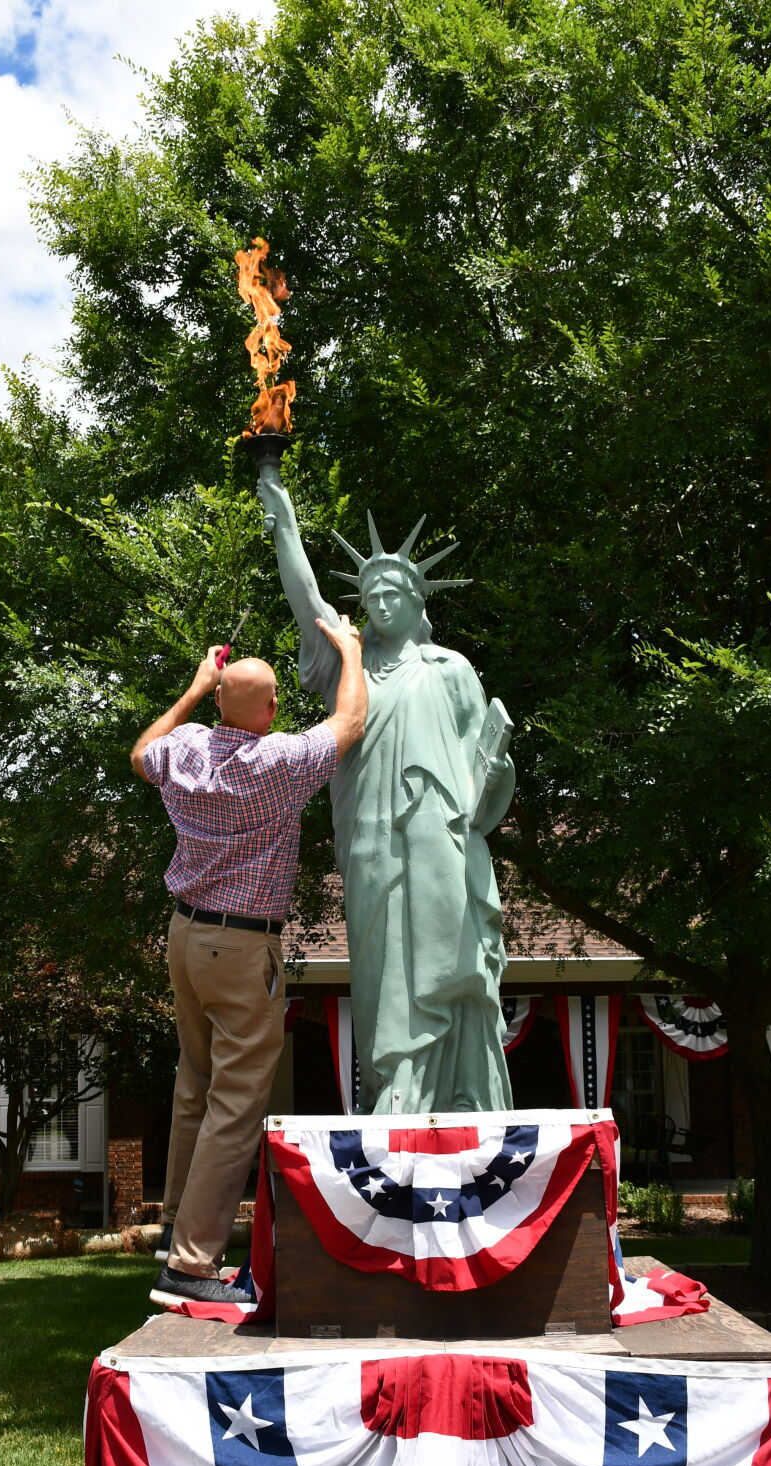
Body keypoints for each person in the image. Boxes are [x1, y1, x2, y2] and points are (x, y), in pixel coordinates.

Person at [256, 469, 516, 1114]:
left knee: (444, 953)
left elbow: (482, 761)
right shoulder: (345, 664)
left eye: (392, 590)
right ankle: (396, 1083)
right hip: (369, 835)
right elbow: (307, 599)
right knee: (380, 964)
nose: (379, 600)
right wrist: (284, 521)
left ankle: (461, 1089)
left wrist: (494, 776)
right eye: (370, 592)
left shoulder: (449, 668)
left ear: (417, 599)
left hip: (440, 835)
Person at [132, 623, 367, 1305]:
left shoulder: (186, 749)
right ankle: (191, 1264)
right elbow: (349, 719)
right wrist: (349, 648)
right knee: (234, 1104)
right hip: (240, 947)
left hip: (185, 937)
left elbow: (140, 748)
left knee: (196, 1082)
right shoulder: (279, 762)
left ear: (218, 703)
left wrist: (193, 687)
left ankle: (176, 1221)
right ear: (267, 713)